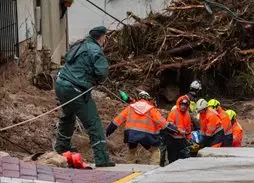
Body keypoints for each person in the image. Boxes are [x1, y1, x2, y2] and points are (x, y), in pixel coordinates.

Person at [54, 26, 115, 167]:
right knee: (94, 123)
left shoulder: (79, 45)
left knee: (68, 116)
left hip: (61, 84)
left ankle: (62, 148)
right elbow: (102, 71)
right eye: (105, 37)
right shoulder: (95, 50)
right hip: (75, 89)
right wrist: (98, 80)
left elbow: (68, 59)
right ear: (101, 38)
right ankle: (102, 159)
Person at [105, 91, 181, 164]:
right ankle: (153, 169)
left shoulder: (131, 107)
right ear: (148, 99)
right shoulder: (151, 109)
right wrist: (175, 130)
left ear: (138, 98)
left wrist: (109, 130)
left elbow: (118, 119)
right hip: (147, 136)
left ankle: (130, 168)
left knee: (131, 152)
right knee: (155, 151)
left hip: (131, 134)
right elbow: (162, 123)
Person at [164, 95, 192, 164]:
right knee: (172, 159)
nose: (183, 106)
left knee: (183, 160)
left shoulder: (187, 115)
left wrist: (189, 139)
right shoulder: (173, 113)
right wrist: (179, 130)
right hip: (172, 140)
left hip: (182, 140)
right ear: (179, 104)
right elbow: (169, 126)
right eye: (182, 105)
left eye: (185, 105)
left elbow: (188, 129)